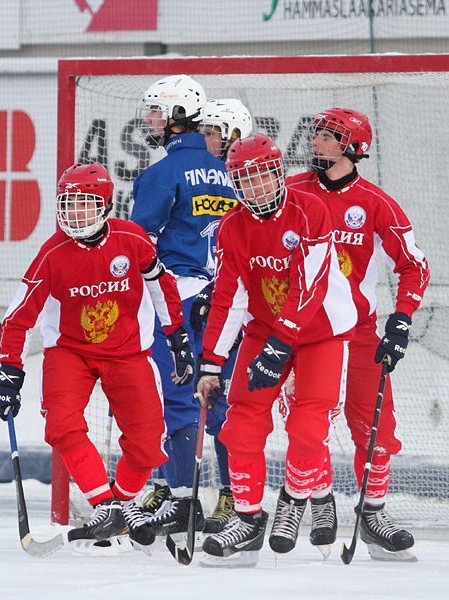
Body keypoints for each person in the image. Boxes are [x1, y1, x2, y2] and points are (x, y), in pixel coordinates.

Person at [0, 163, 194, 550]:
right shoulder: (52, 253)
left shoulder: (132, 239)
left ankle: (122, 502)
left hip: (127, 351)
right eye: (67, 203)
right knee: (62, 424)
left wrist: (177, 338)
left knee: (149, 439)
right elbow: (18, 318)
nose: (73, 213)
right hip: (70, 351)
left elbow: (161, 287)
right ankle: (104, 504)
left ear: (103, 205)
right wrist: (9, 369)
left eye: (83, 203)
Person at [194, 133, 356, 566]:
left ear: (278, 172)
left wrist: (279, 346)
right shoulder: (232, 227)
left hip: (321, 331)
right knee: (241, 423)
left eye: (262, 176)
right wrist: (211, 360)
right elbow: (229, 295)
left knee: (308, 427)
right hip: (264, 331)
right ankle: (248, 521)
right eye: (243, 180)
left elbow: (311, 284)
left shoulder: (310, 210)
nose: (255, 188)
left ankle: (298, 495)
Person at [286, 108, 430, 561]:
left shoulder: (374, 202)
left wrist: (401, 318)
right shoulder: (289, 193)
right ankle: (321, 500)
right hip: (304, 333)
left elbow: (413, 265)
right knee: (309, 425)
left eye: (329, 138)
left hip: (358, 331)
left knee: (376, 429)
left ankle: (372, 514)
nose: (318, 144)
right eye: (318, 136)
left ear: (353, 147)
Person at [130, 75, 239, 536]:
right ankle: (237, 499)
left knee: (177, 399)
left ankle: (181, 500)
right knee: (222, 402)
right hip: (226, 303)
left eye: (156, 112)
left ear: (177, 116)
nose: (149, 121)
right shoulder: (231, 172)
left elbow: (138, 248)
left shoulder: (160, 174)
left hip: (176, 301)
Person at [190, 98, 254, 534]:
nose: (205, 138)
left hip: (244, 316)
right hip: (207, 310)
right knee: (205, 404)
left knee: (236, 411)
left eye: (214, 130)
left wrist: (219, 292)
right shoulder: (197, 181)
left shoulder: (250, 187)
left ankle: (239, 495)